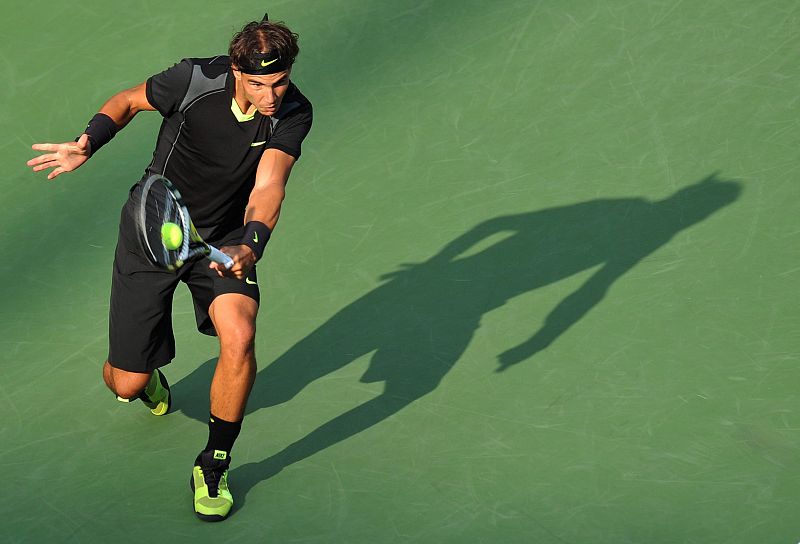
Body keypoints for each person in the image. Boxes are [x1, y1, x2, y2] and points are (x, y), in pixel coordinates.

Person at [26, 15, 312, 522]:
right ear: (235, 71)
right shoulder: (194, 80)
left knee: (240, 335)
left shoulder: (293, 111)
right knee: (126, 384)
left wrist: (252, 242)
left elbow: (269, 185)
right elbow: (127, 101)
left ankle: (214, 463)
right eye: (259, 83)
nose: (271, 95)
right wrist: (87, 142)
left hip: (223, 237)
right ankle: (146, 374)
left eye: (280, 82)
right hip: (156, 225)